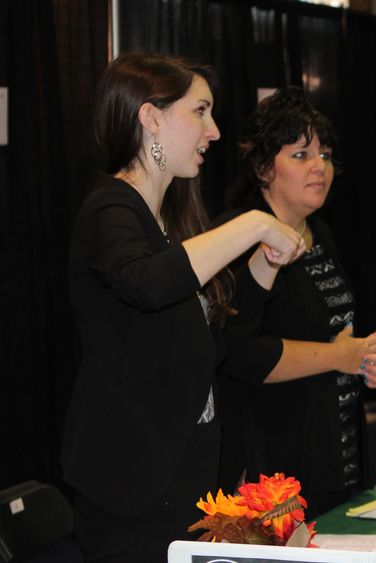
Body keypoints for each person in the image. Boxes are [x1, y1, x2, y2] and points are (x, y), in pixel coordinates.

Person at [62, 52, 306, 562]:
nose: (213, 131)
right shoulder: (110, 207)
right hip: (133, 481)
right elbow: (146, 285)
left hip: (185, 469)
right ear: (149, 117)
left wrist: (264, 265)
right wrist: (253, 225)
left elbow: (210, 331)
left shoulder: (169, 219)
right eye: (199, 111)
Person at [217, 87, 376, 517]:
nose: (320, 167)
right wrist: (338, 356)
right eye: (301, 155)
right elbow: (239, 354)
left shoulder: (319, 233)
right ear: (263, 167)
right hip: (274, 458)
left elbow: (325, 332)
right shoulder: (236, 240)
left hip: (336, 446)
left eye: (326, 154)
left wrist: (361, 355)